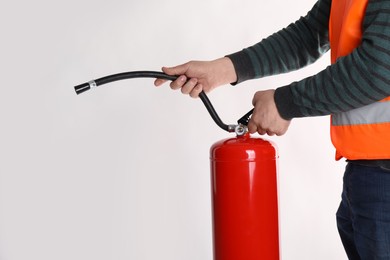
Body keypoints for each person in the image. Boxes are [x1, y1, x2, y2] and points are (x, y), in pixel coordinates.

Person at [154, 0, 390, 259]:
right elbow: (310, 34)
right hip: (366, 172)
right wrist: (221, 70)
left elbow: (381, 65)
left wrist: (285, 103)